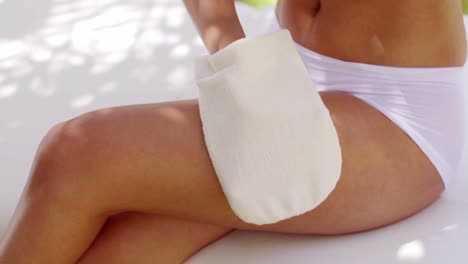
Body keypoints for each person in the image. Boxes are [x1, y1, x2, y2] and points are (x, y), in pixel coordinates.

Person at [0, 0, 466, 263]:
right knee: (124, 242)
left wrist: (248, 79)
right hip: (289, 67)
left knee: (76, 152)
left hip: (393, 112)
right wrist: (249, 71)